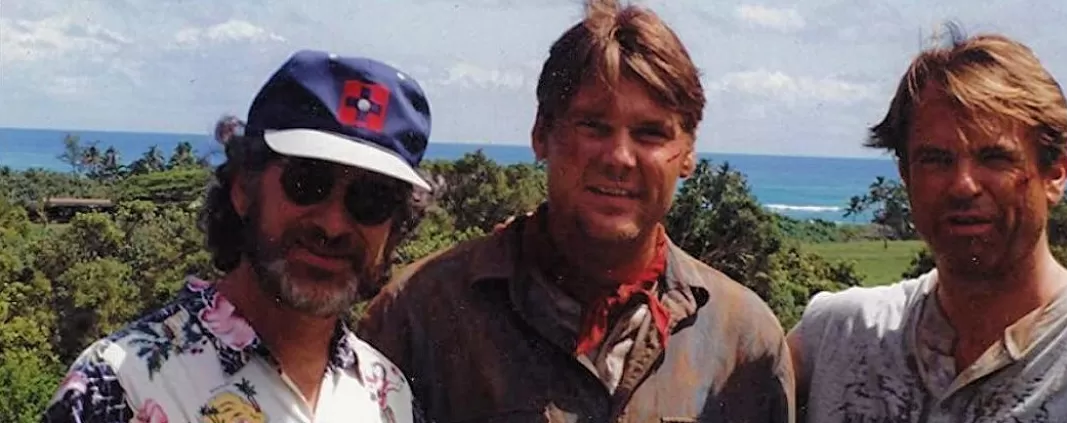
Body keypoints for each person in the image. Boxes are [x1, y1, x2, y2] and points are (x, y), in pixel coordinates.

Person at [356, 0, 794, 421]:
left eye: (650, 134)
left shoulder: (743, 341)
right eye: (593, 126)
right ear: (541, 134)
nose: (619, 157)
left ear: (687, 154)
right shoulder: (420, 313)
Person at [786, 23, 1067, 423]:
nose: (963, 185)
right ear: (906, 175)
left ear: (1055, 174)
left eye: (995, 158)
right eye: (936, 160)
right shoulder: (837, 339)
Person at [42, 50, 436, 423]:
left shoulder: (389, 396)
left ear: (396, 225)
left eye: (371, 199)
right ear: (244, 189)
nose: (333, 225)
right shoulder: (120, 388)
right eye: (306, 182)